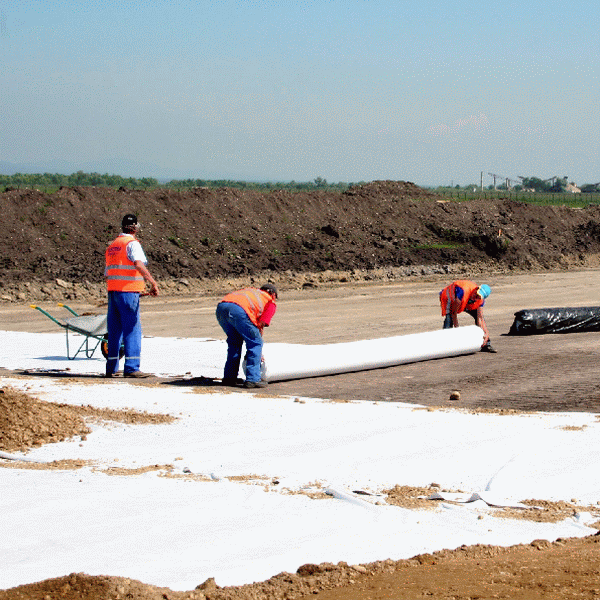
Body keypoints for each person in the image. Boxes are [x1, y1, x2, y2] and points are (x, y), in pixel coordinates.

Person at [104, 214, 159, 378]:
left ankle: (111, 368)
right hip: (128, 293)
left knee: (114, 331)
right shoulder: (132, 244)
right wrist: (152, 282)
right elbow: (138, 263)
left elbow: (107, 273)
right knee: (132, 329)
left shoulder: (113, 246)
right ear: (135, 228)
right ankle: (132, 367)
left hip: (113, 293)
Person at [216, 284, 278, 388]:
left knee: (234, 343)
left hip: (221, 308)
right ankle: (253, 379)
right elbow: (262, 323)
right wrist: (258, 352)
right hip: (239, 311)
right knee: (255, 343)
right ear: (273, 294)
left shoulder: (250, 291)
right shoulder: (270, 301)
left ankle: (229, 378)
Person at [439, 279, 496, 352]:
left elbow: (480, 318)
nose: (476, 297)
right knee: (449, 318)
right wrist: (457, 329)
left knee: (477, 315)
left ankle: (486, 344)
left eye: (479, 297)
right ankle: (444, 343)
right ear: (476, 289)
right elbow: (454, 313)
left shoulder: (479, 300)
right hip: (449, 297)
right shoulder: (462, 292)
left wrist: (486, 333)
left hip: (465, 301)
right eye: (476, 294)